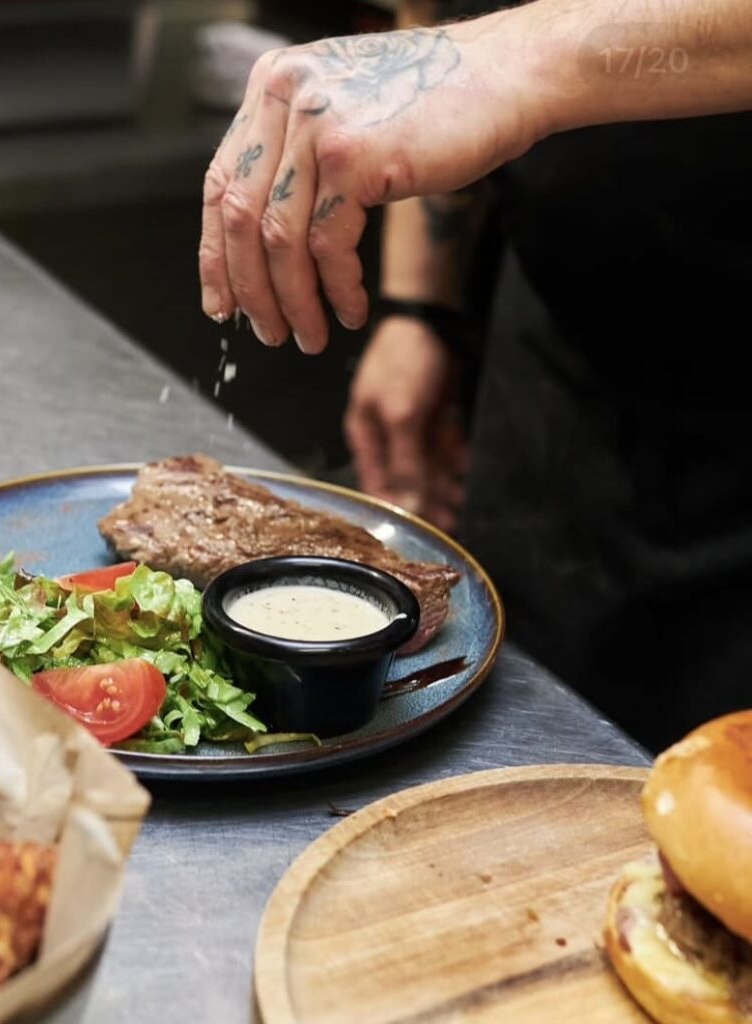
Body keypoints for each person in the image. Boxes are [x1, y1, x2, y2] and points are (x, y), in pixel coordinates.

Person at [197, 0, 752, 751]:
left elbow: (477, 53)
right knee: (521, 732)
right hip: (560, 340)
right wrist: (418, 305)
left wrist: (522, 54)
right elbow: (437, 17)